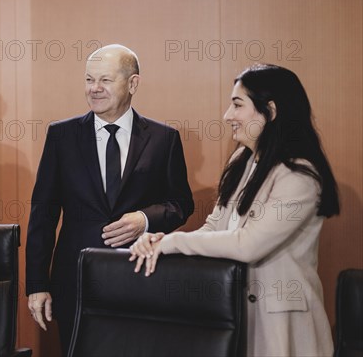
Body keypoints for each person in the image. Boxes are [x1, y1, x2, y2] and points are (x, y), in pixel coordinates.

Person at [130, 64, 339, 357]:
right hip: (232, 315)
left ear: (271, 111)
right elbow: (214, 229)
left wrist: (172, 243)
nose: (228, 116)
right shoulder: (242, 160)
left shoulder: (300, 175)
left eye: (237, 105)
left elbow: (248, 245)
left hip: (283, 329)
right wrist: (159, 240)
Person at [26, 44, 194, 354]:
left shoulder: (163, 139)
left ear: (133, 84)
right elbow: (43, 213)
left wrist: (144, 219)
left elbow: (181, 204)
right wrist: (37, 284)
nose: (94, 89)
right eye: (89, 80)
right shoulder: (61, 136)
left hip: (140, 277)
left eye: (105, 80)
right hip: (75, 281)